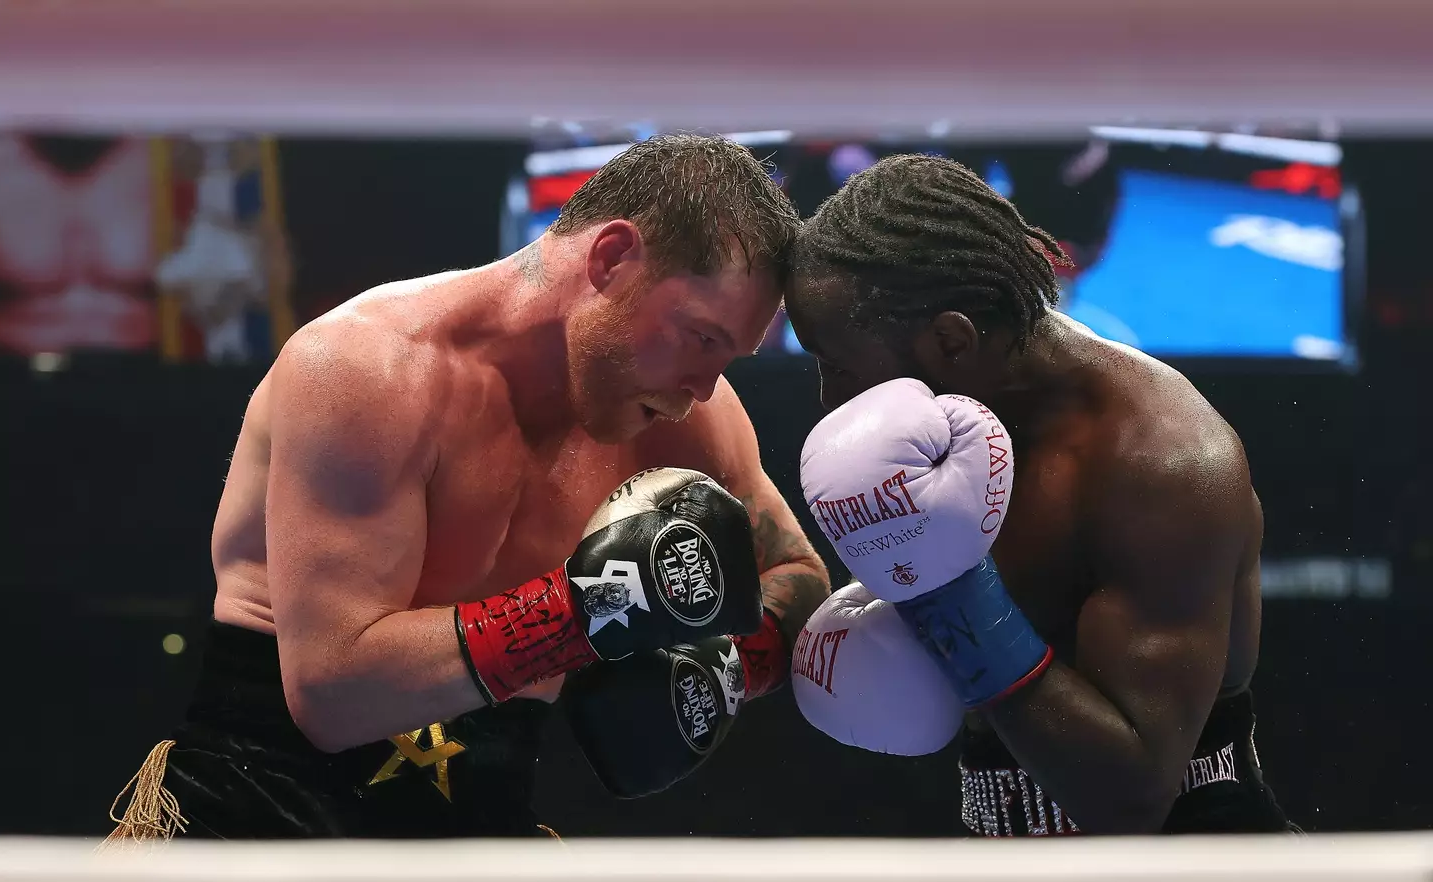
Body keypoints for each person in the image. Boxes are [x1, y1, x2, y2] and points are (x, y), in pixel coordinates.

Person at [105, 134, 830, 842]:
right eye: (702, 338)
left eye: (728, 359)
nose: (703, 387)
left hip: (482, 830)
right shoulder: (368, 370)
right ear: (612, 258)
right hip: (258, 815)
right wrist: (586, 613)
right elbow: (331, 694)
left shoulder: (686, 415)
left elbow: (798, 575)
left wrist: (727, 666)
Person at [786, 154, 1290, 836]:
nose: (828, 398)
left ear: (950, 340)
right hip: (1011, 880)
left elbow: (1134, 794)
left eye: (839, 366)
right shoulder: (941, 432)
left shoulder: (1158, 461)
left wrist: (948, 598)